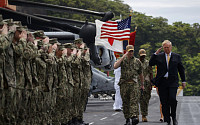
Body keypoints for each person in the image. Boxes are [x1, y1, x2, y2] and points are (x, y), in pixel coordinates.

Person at [149, 40, 186, 125]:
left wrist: (183, 80)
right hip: (162, 82)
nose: (167, 49)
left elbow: (181, 69)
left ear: (171, 47)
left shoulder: (177, 56)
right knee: (164, 101)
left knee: (172, 99)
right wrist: (155, 54)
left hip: (172, 81)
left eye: (168, 47)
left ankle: (173, 117)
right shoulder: (159, 56)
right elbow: (151, 63)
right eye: (165, 47)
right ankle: (167, 119)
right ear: (163, 48)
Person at [114, 45, 144, 125]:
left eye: (132, 51)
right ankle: (127, 118)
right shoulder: (122, 60)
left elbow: (141, 74)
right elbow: (115, 66)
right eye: (129, 51)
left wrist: (142, 84)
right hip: (124, 84)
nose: (131, 53)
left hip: (134, 84)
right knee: (125, 102)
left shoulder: (137, 61)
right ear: (126, 51)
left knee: (133, 101)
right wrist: (123, 57)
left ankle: (134, 117)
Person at [138, 49, 153, 122]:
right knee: (137, 99)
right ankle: (136, 115)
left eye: (144, 56)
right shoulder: (136, 62)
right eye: (141, 56)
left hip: (146, 83)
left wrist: (151, 83)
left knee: (145, 100)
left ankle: (144, 115)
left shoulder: (148, 63)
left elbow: (151, 73)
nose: (143, 57)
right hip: (137, 83)